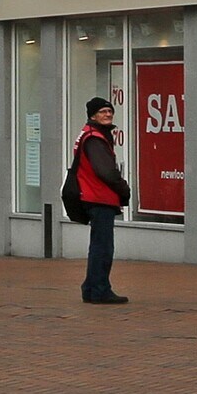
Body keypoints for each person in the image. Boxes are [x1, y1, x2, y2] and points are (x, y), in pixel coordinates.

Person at [73, 96, 131, 304]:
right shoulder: (95, 138)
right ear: (92, 115)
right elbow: (106, 171)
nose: (108, 114)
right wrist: (124, 188)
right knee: (103, 247)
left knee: (98, 245)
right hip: (99, 197)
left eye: (110, 111)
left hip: (94, 196)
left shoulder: (90, 134)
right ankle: (99, 290)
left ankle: (91, 288)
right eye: (103, 112)